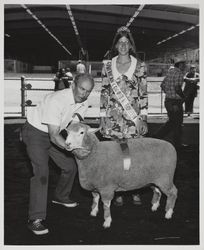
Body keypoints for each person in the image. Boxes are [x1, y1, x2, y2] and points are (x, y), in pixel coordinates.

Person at [22, 73, 94, 235]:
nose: (84, 94)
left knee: (69, 166)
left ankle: (60, 196)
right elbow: (54, 136)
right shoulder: (57, 100)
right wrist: (74, 149)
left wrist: (79, 144)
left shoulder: (84, 102)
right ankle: (35, 219)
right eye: (82, 89)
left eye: (88, 91)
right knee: (42, 173)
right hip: (35, 132)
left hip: (53, 134)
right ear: (73, 85)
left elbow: (73, 127)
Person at [100, 26, 148, 206]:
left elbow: (143, 94)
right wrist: (102, 116)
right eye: (120, 42)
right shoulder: (107, 65)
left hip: (132, 118)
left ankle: (135, 189)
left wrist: (143, 117)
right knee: (115, 155)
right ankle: (118, 189)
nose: (123, 45)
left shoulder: (140, 65)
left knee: (133, 154)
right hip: (112, 119)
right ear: (115, 45)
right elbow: (104, 92)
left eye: (126, 42)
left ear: (131, 45)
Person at [153, 57, 186, 151]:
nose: (185, 66)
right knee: (177, 123)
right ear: (179, 65)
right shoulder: (179, 73)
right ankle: (177, 145)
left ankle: (156, 137)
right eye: (183, 64)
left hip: (168, 101)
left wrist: (168, 93)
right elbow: (177, 88)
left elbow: (162, 85)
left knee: (172, 122)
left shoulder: (170, 72)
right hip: (176, 102)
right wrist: (183, 97)